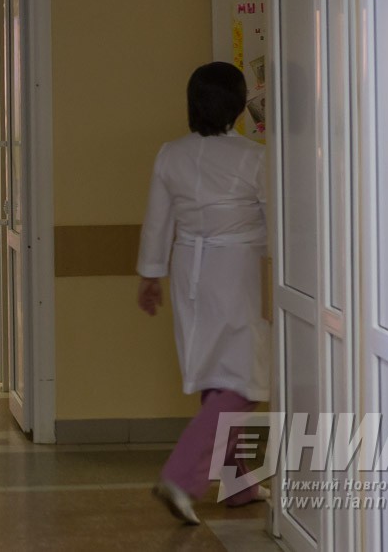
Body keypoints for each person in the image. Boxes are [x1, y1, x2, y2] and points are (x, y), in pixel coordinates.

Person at [136, 61, 271, 524]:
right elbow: (276, 225)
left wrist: (150, 276)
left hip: (187, 271)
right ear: (239, 105)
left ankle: (238, 483)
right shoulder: (253, 157)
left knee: (216, 372)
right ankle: (181, 476)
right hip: (234, 271)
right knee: (245, 378)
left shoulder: (170, 153)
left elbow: (157, 221)